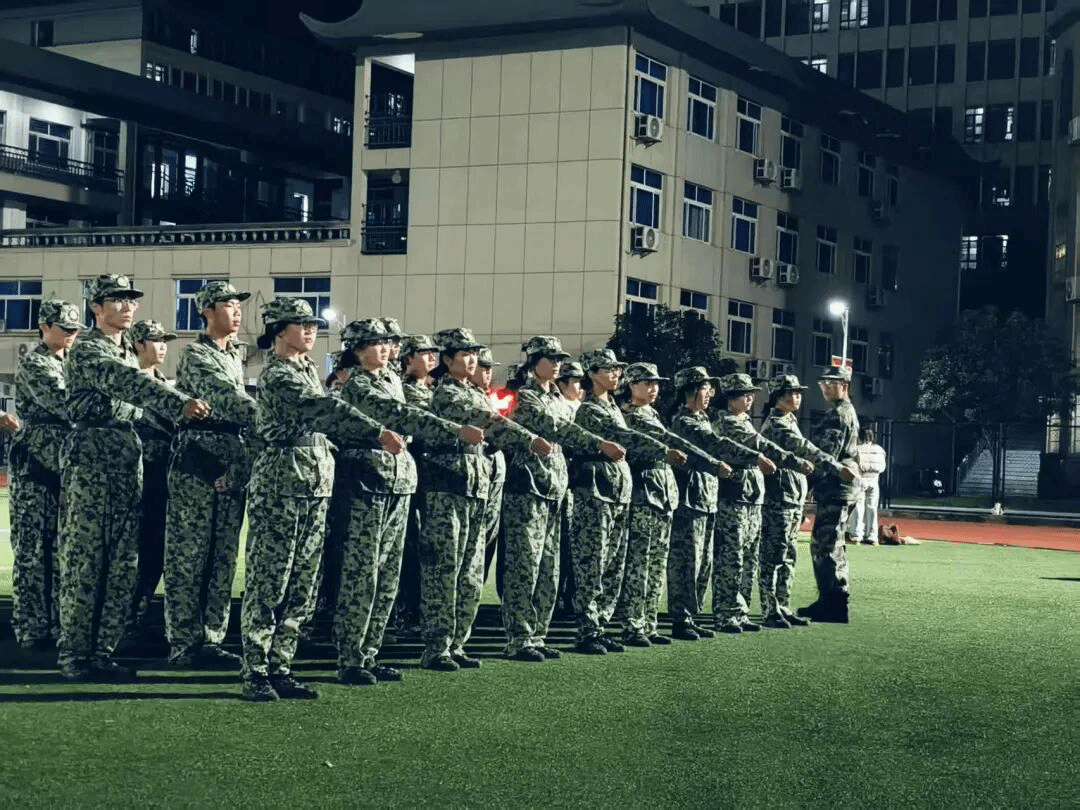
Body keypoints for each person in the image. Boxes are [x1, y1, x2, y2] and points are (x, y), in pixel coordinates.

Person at [240, 298, 406, 702]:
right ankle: (256, 670)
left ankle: (281, 666)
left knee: (303, 584)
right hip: (282, 483)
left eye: (313, 324)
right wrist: (375, 431)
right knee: (270, 581)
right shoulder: (279, 374)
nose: (311, 330)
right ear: (279, 331)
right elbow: (322, 409)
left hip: (313, 485)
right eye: (301, 324)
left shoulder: (307, 369)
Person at [58, 274, 211, 682]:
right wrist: (178, 401)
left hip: (126, 460)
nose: (127, 306)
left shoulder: (126, 350)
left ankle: (102, 651)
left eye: (131, 300)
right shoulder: (90, 350)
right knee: (86, 563)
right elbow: (127, 383)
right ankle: (75, 656)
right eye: (117, 299)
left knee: (123, 564)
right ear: (96, 307)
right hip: (92, 461)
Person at [333, 318, 482, 686]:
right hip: (366, 481)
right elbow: (400, 415)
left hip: (397, 483)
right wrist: (453, 430)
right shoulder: (359, 385)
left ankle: (369, 653)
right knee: (362, 572)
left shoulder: (389, 380)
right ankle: (350, 656)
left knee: (387, 575)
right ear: (358, 350)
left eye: (388, 342)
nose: (386, 349)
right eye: (376, 343)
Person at [419, 327, 549, 671]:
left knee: (471, 570)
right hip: (449, 488)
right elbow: (487, 421)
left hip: (476, 488)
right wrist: (527, 438)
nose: (472, 360)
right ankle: (437, 646)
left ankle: (457, 642)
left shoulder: (474, 392)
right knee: (445, 569)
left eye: (474, 353)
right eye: (464, 354)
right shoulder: (448, 393)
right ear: (447, 360)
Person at [501, 336, 623, 661]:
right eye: (550, 358)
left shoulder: (557, 396)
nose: (556, 364)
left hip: (555, 490)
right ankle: (519, 638)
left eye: (559, 359)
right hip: (528, 489)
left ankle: (538, 635)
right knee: (524, 567)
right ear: (534, 362)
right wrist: (599, 444)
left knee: (549, 569)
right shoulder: (525, 397)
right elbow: (556, 428)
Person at [570, 348, 685, 655]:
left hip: (617, 494)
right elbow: (622, 435)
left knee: (613, 565)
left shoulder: (612, 406)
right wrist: (663, 451)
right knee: (593, 564)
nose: (616, 373)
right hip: (596, 494)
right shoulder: (590, 409)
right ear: (592, 373)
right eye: (609, 369)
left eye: (617, 369)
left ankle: (601, 625)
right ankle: (587, 630)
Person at [164, 281, 254, 670]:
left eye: (238, 305)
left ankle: (212, 638)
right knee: (189, 556)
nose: (237, 311)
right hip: (197, 461)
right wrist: (268, 417)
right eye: (228, 304)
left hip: (230, 458)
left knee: (223, 556)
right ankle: (184, 643)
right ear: (207, 311)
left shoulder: (235, 354)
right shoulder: (196, 355)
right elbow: (225, 397)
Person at [615, 363, 726, 647]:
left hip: (663, 496)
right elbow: (669, 441)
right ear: (631, 385)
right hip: (644, 495)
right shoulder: (630, 415)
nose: (654, 388)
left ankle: (649, 623)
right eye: (647, 383)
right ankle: (633, 624)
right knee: (640, 564)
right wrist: (712, 463)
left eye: (656, 383)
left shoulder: (653, 414)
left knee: (656, 565)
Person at [666, 367, 769, 641]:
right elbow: (715, 444)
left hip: (707, 498)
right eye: (705, 388)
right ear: (689, 391)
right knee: (686, 562)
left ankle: (693, 615)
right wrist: (755, 457)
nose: (710, 393)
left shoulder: (704, 418)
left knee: (703, 564)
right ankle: (682, 618)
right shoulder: (684, 422)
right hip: (690, 500)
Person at [711, 373, 811, 634]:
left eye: (751, 394)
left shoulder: (747, 420)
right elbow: (758, 447)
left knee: (756, 558)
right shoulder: (728, 422)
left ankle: (747, 609)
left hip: (755, 498)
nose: (750, 399)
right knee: (736, 558)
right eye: (744, 395)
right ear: (730, 398)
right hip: (739, 497)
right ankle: (737, 610)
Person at [8, 300, 79, 650]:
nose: (70, 335)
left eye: (74, 330)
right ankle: (31, 626)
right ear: (45, 327)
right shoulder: (36, 364)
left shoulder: (69, 363)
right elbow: (66, 403)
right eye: (64, 329)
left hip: (63, 467)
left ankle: (56, 624)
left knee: (61, 550)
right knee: (33, 550)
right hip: (36, 468)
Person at [759, 374, 855, 628]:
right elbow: (805, 448)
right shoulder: (777, 423)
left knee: (789, 554)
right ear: (777, 397)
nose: (797, 397)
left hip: (792, 495)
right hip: (779, 496)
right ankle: (771, 608)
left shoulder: (790, 419)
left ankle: (783, 605)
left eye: (799, 393)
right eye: (791, 393)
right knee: (775, 555)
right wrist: (836, 468)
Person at [126, 319, 179, 645]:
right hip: (133, 481)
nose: (162, 347)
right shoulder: (126, 384)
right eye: (155, 340)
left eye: (164, 341)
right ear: (138, 345)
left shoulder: (167, 386)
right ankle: (123, 622)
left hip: (162, 481)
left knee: (155, 553)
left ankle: (138, 616)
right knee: (131, 556)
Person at [797, 365, 860, 624]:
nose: (825, 388)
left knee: (825, 546)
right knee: (835, 545)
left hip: (835, 488)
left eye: (831, 383)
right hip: (841, 488)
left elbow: (826, 456)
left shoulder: (837, 415)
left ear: (844, 386)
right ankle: (832, 600)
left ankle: (833, 603)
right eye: (823, 383)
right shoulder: (847, 411)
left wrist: (807, 484)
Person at [391, 333, 440, 634]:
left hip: (429, 475)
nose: (431, 357)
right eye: (424, 352)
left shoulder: (432, 389)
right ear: (409, 358)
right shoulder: (407, 390)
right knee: (410, 545)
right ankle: (406, 612)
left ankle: (419, 610)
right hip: (416, 471)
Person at [474, 347, 507, 598]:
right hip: (472, 479)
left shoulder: (487, 398)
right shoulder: (464, 398)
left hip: (493, 477)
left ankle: (473, 601)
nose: (488, 373)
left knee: (488, 542)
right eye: (483, 368)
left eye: (489, 368)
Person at [554, 360, 585, 618]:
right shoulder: (560, 407)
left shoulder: (580, 407)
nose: (580, 386)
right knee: (560, 544)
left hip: (577, 484)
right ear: (562, 384)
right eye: (575, 381)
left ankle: (570, 595)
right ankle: (557, 597)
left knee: (574, 544)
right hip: (563, 479)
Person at [848, 427, 887, 545]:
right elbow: (882, 467)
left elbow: (852, 465)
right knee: (872, 509)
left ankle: (856, 535)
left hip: (860, 479)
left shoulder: (856, 449)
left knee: (858, 509)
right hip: (874, 480)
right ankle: (872, 536)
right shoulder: (880, 450)